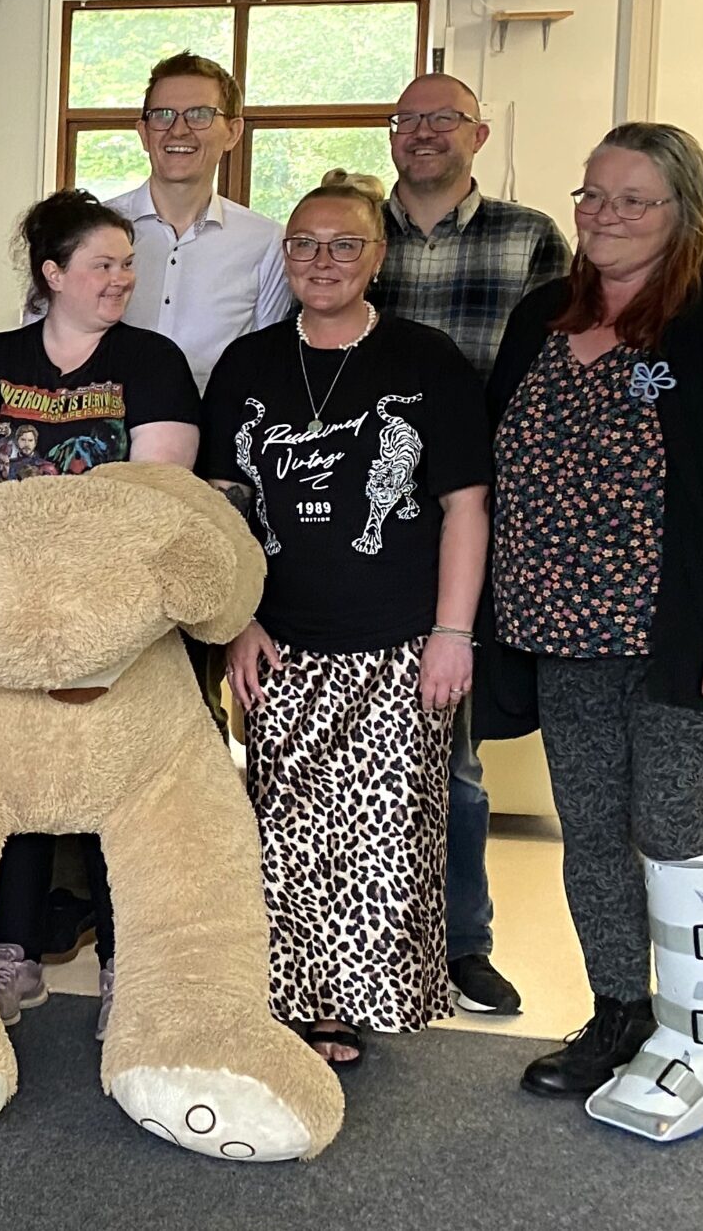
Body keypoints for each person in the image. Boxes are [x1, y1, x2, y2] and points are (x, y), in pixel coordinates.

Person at [491, 124, 703, 1141]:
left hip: (680, 632)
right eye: (591, 193)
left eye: (632, 199)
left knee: (673, 838)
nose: (603, 214)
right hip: (562, 627)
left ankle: (702, 1039)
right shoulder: (542, 314)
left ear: (684, 208)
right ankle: (619, 1015)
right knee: (591, 833)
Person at [200, 170, 490, 1069]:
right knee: (286, 837)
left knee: (386, 838)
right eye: (303, 244)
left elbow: (466, 507)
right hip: (281, 638)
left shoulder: (425, 358)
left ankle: (362, 1003)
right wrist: (237, 622)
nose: (321, 261)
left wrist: (451, 635)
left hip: (401, 636)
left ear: (378, 255)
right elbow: (220, 503)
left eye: (344, 245)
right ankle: (295, 1005)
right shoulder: (248, 363)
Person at [0, 189, 198, 1033]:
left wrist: (84, 570)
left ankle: (132, 967)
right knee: (18, 779)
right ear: (53, 275)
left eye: (127, 264)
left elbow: (158, 490)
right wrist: (14, 562)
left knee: (124, 794)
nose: (120, 279)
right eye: (103, 265)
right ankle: (10, 956)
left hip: (122, 614)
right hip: (10, 607)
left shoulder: (153, 361)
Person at [370, 72, 571, 1020]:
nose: (422, 135)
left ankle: (463, 940)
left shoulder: (528, 237)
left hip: (467, 516)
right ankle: (347, 936)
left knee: (450, 742)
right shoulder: (356, 235)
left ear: (478, 134)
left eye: (441, 120)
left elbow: (556, 373)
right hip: (354, 520)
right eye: (408, 120)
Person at [106, 51, 293, 391]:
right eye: (163, 115)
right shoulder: (91, 230)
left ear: (233, 132)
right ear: (144, 133)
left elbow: (265, 362)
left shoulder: (265, 243)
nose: (178, 130)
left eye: (199, 115)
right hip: (100, 435)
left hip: (212, 436)